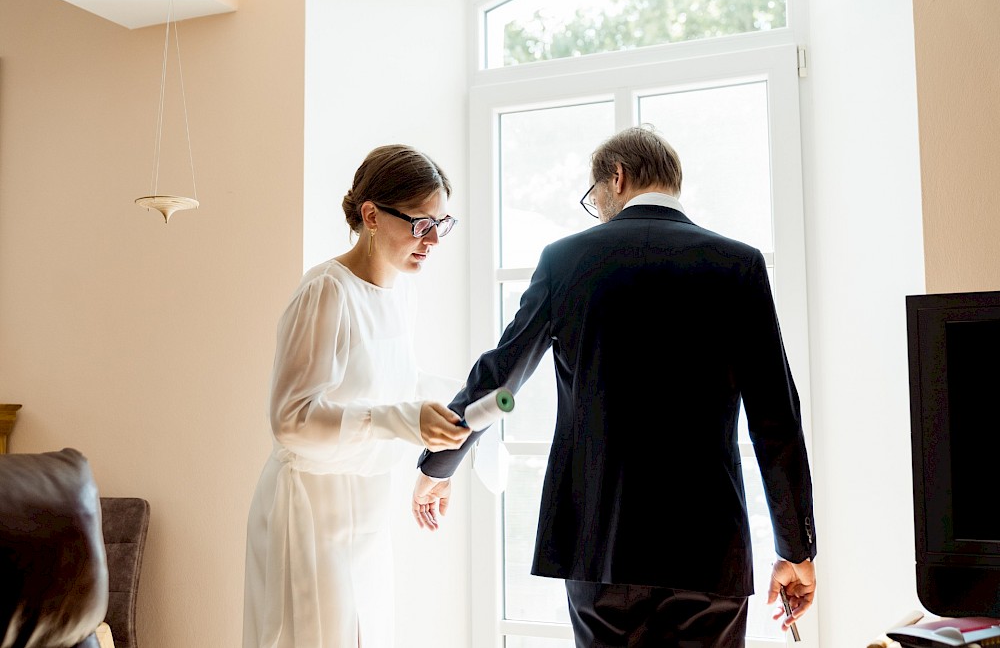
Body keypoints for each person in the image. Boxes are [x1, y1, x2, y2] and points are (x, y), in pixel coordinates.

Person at [412, 125, 817, 647]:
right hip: (707, 547)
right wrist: (796, 548)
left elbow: (500, 374)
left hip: (598, 543)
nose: (597, 208)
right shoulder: (738, 265)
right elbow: (775, 417)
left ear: (617, 178)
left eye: (594, 196)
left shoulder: (566, 260)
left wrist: (437, 464)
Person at [243, 144, 471, 648]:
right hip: (309, 510)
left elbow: (396, 385)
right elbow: (291, 420)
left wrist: (443, 452)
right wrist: (403, 420)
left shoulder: (398, 293)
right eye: (419, 224)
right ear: (371, 215)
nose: (433, 240)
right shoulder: (326, 291)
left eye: (442, 224)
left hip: (367, 506)